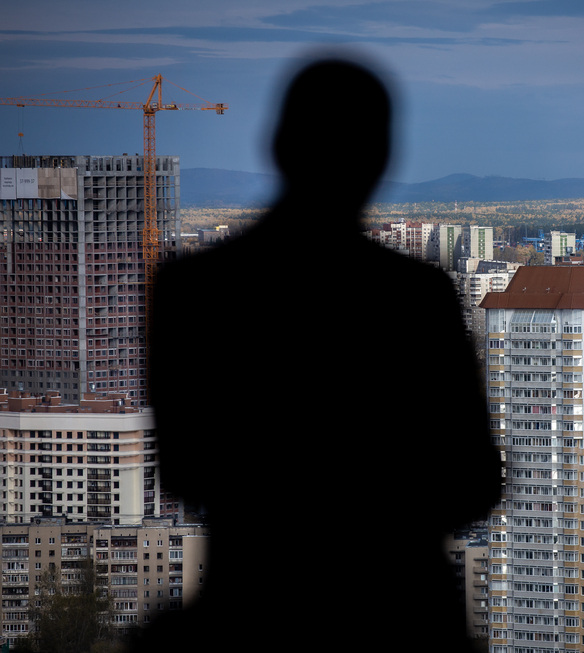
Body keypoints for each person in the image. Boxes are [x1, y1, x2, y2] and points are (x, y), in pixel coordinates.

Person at [139, 56, 501, 652]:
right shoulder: (415, 298)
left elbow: (183, 471)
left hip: (253, 612)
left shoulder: (195, 290)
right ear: (381, 158)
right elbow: (473, 482)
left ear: (277, 146)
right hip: (400, 616)